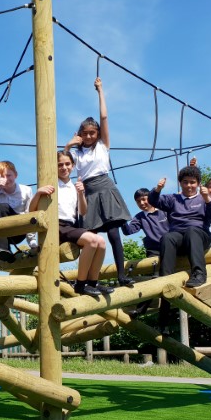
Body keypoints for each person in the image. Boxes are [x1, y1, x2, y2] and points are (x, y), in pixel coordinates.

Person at [64, 77, 134, 286]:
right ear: (79, 134)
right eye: (84, 133)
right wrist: (68, 145)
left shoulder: (103, 145)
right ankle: (85, 280)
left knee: (113, 234)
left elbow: (104, 117)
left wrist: (100, 90)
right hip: (87, 192)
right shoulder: (76, 154)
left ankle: (121, 275)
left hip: (104, 187)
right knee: (90, 238)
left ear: (97, 134)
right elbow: (62, 164)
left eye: (92, 133)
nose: (88, 136)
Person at [148, 165, 211, 331]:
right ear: (180, 183)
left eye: (193, 182)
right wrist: (157, 189)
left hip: (198, 236)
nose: (189, 186)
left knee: (191, 231)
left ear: (198, 183)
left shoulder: (205, 198)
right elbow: (153, 201)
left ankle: (199, 273)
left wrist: (208, 199)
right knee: (167, 236)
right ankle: (165, 278)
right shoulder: (174, 199)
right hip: (178, 237)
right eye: (186, 182)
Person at [29, 151, 113, 297]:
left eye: (67, 164)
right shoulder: (50, 183)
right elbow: (32, 210)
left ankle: (93, 283)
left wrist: (81, 194)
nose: (64, 167)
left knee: (101, 242)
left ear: (73, 166)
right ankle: (80, 284)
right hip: (56, 226)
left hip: (71, 226)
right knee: (92, 241)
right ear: (54, 167)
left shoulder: (75, 187)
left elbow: (83, 211)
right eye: (60, 164)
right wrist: (38, 193)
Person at [0, 160, 38, 261]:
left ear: (16, 175)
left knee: (3, 207)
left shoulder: (26, 191)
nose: (6, 179)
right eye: (1, 176)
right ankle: (3, 250)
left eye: (9, 175)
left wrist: (32, 241)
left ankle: (3, 248)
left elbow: (30, 214)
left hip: (18, 231)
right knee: (0, 208)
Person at [121, 188, 169, 258]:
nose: (141, 203)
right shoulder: (139, 217)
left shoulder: (164, 210)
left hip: (171, 246)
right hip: (154, 251)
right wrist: (122, 215)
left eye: (144, 199)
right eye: (138, 201)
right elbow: (128, 231)